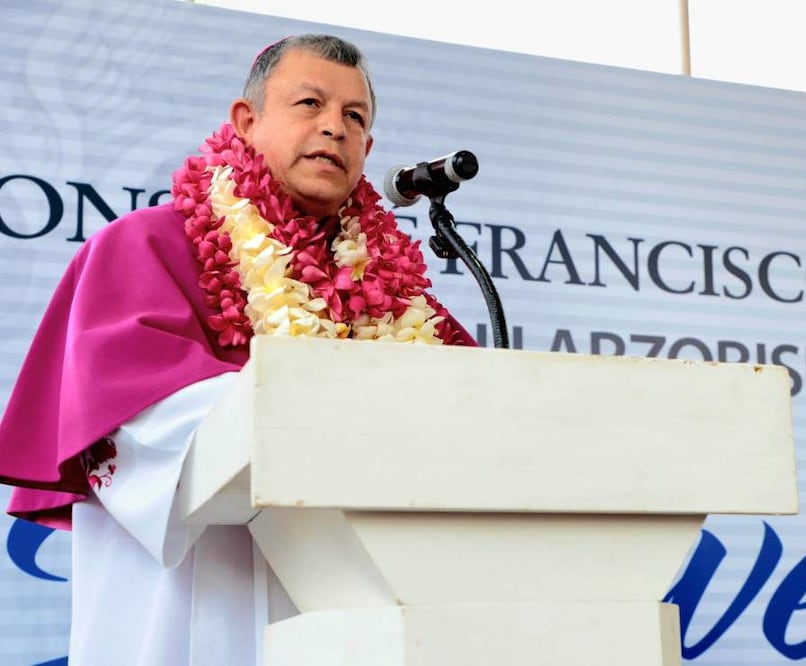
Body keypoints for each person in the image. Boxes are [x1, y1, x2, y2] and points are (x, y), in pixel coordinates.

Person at [0, 34, 476, 666]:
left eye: (355, 117)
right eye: (310, 103)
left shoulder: (401, 300)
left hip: (374, 625)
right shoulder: (145, 247)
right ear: (246, 122)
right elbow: (147, 426)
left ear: (369, 149)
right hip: (202, 604)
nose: (334, 127)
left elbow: (482, 420)